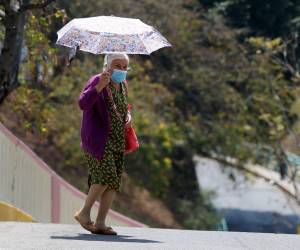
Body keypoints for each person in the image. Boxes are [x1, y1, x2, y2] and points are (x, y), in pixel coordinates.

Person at [74, 53, 131, 235]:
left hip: (117, 141)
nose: (121, 69)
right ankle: (84, 213)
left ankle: (100, 222)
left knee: (113, 182)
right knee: (105, 176)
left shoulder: (123, 85)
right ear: (107, 64)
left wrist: (128, 116)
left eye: (124, 66)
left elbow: (123, 108)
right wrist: (99, 87)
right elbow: (83, 103)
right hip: (99, 140)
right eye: (117, 65)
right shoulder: (97, 80)